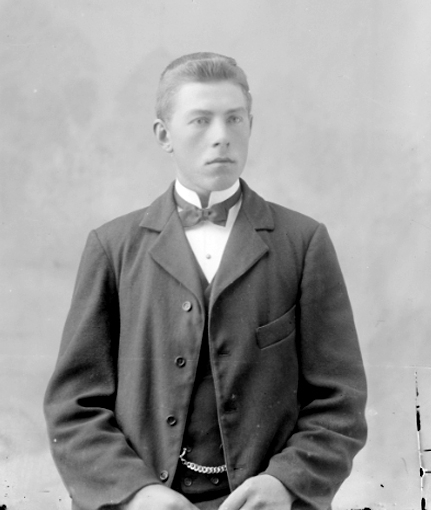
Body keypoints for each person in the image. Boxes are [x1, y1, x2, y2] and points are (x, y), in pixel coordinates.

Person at [44, 52, 367, 510]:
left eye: (234, 119)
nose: (221, 136)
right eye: (200, 120)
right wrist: (136, 493)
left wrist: (285, 483)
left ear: (250, 125)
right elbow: (73, 407)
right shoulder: (113, 247)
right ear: (164, 135)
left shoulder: (302, 242)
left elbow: (340, 399)